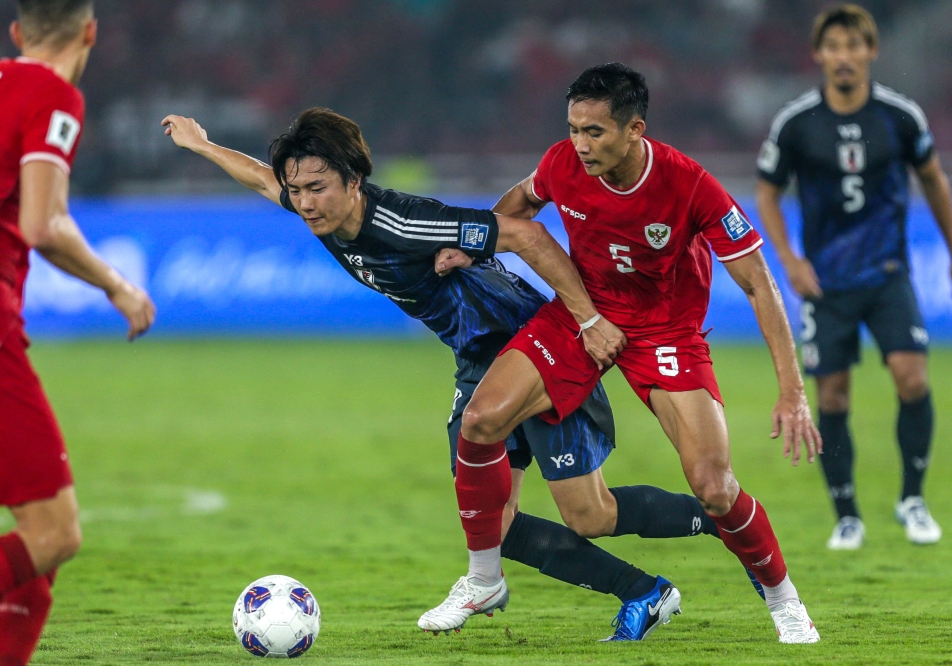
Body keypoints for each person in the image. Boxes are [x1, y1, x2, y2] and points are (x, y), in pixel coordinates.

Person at [162, 108, 763, 642]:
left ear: (353, 183)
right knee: (493, 521)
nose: (304, 202)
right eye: (298, 191)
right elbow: (263, 180)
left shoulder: (403, 224)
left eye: (317, 188)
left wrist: (587, 321)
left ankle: (714, 517)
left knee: (589, 515)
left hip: (531, 348)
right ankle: (642, 592)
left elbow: (526, 233)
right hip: (478, 358)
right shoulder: (317, 207)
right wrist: (201, 145)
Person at [432, 62, 823, 644]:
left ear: (634, 129)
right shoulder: (563, 163)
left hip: (665, 331)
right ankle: (483, 578)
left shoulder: (690, 184)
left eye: (596, 132)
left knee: (715, 487)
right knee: (483, 418)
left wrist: (792, 392)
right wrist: (478, 242)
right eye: (573, 129)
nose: (580, 145)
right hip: (583, 314)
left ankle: (783, 599)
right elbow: (522, 199)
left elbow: (759, 284)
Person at [755, 5, 952, 551]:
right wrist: (789, 258)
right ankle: (847, 513)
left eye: (854, 45)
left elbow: (934, 181)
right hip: (825, 283)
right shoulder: (796, 122)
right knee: (832, 395)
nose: (844, 56)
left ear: (871, 51)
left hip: (887, 272)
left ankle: (913, 499)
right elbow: (767, 192)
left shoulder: (900, 117)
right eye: (834, 46)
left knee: (913, 378)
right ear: (819, 55)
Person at [0, 1, 156, 663]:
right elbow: (44, 224)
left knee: (39, 543)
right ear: (89, 33)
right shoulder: (54, 95)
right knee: (55, 532)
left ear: (16, 32)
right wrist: (117, 283)